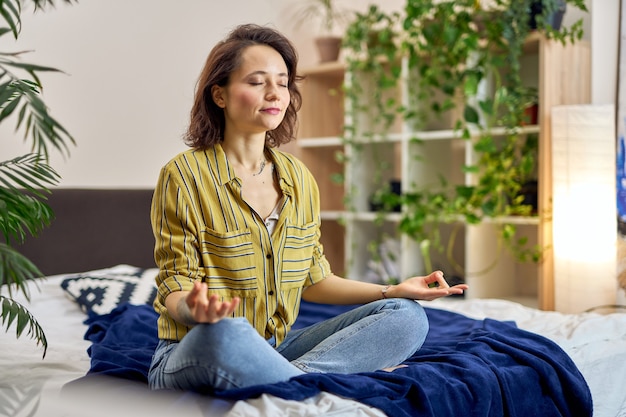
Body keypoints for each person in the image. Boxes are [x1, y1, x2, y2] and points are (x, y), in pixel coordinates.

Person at [148, 23, 468, 394]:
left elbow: (314, 280)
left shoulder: (298, 178)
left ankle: (290, 379)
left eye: (282, 82)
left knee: (408, 317)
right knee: (229, 332)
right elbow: (175, 285)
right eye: (256, 82)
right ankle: (314, 381)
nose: (274, 93)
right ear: (219, 95)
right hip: (197, 348)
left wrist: (392, 290)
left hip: (276, 349)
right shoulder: (183, 175)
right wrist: (195, 310)